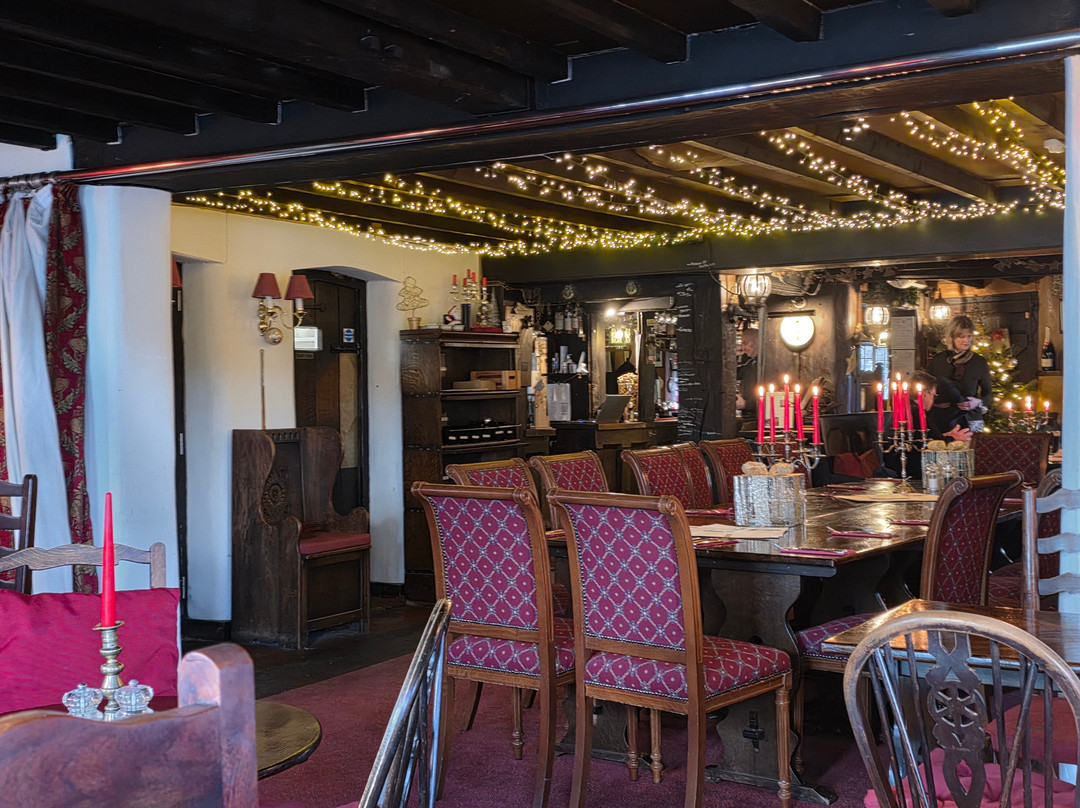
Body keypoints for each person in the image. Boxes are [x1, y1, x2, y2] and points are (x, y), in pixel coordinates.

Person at [925, 315, 992, 432]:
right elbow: (926, 389)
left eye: (969, 336)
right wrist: (935, 403)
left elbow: (988, 392)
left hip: (970, 418)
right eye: (961, 337)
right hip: (942, 418)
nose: (966, 341)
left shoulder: (979, 362)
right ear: (951, 337)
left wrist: (978, 402)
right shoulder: (937, 361)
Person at [910, 370, 972, 443]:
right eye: (934, 396)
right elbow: (926, 444)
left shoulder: (909, 408)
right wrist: (952, 439)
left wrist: (944, 437)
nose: (933, 401)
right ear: (925, 394)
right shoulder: (917, 413)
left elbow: (932, 438)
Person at [735, 326, 759, 426]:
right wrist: (734, 355)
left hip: (758, 419)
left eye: (745, 343)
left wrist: (746, 404)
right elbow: (731, 373)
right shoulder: (750, 364)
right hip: (748, 419)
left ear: (756, 342)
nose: (743, 348)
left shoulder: (766, 366)